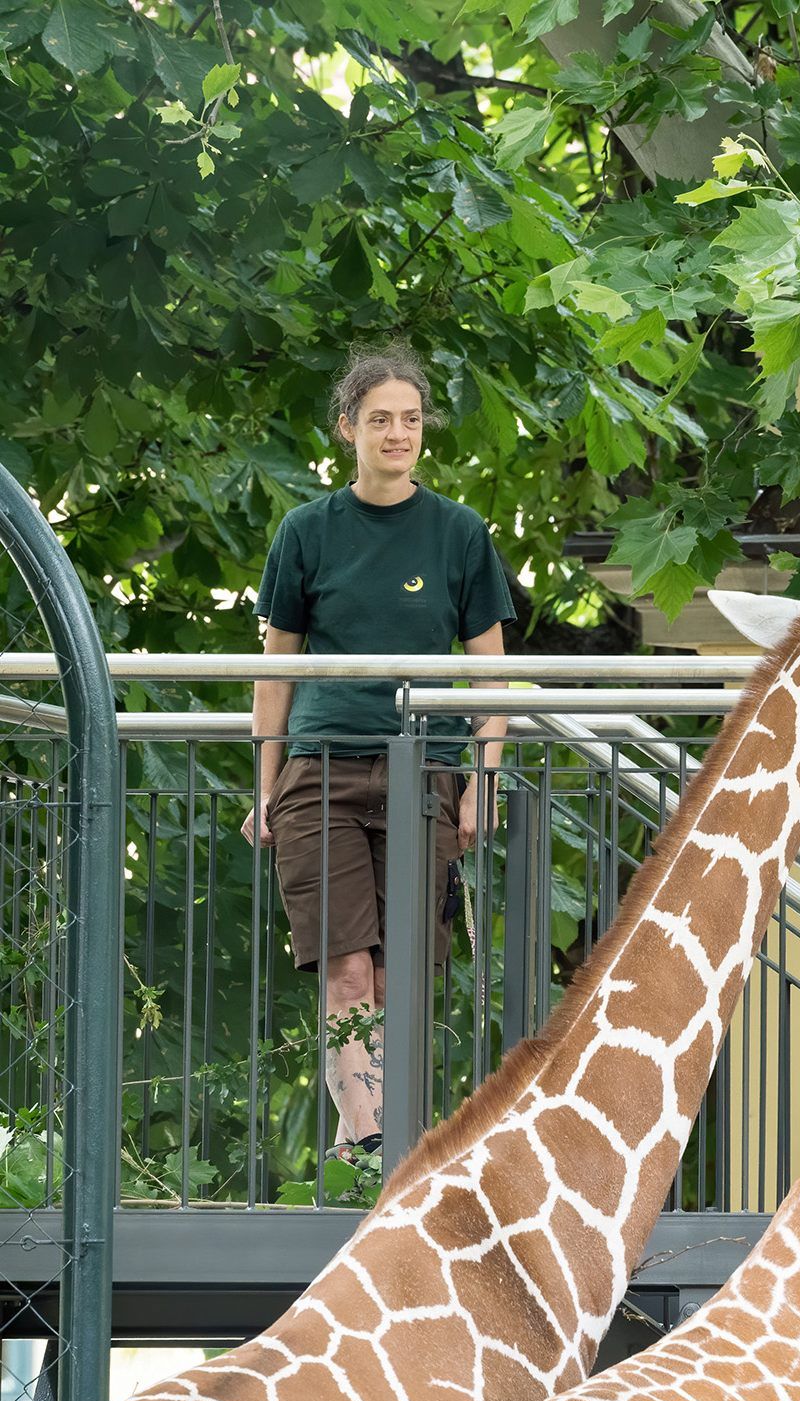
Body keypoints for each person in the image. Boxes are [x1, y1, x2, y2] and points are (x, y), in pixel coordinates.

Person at [242, 345, 514, 1164]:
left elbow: (492, 674)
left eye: (411, 418)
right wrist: (265, 786)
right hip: (320, 770)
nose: (398, 433)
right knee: (348, 971)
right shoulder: (306, 531)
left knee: (398, 977)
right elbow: (273, 673)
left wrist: (483, 782)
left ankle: (371, 1138)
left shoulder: (460, 533)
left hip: (420, 774)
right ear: (347, 428)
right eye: (380, 419)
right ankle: (375, 1144)